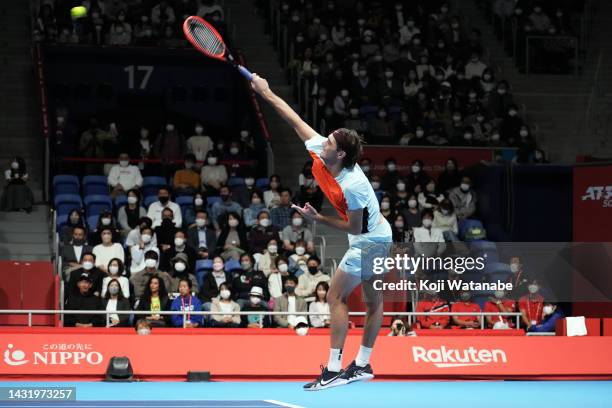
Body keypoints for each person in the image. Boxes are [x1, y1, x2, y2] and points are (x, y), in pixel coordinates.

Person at [252, 73, 393, 389]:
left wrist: (318, 219)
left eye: (329, 141)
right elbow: (294, 119)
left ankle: (333, 370)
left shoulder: (353, 184)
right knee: (372, 301)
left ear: (340, 154)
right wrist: (267, 91)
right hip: (378, 236)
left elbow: (355, 226)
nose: (322, 141)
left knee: (335, 295)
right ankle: (363, 364)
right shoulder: (323, 150)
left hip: (370, 240)